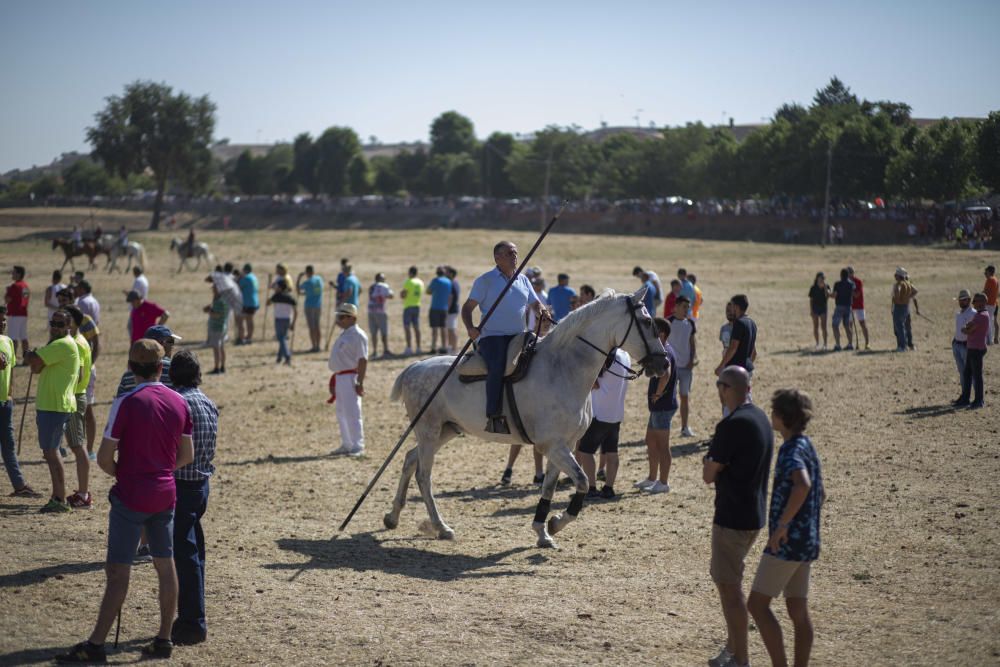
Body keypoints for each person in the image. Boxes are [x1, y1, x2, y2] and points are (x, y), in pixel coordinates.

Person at [56, 339, 194, 664]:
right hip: (165, 493)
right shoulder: (179, 402)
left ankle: (96, 645)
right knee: (165, 563)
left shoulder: (126, 401)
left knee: (118, 571)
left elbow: (104, 458)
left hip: (131, 496)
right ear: (162, 368)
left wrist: (129, 473)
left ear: (131, 368)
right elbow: (186, 455)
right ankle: (163, 638)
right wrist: (159, 471)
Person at [702, 366, 774, 667]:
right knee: (732, 584)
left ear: (726, 389)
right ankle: (732, 649)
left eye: (720, 386)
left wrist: (708, 460)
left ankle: (741, 659)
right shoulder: (760, 418)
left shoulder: (730, 426)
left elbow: (709, 473)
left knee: (730, 591)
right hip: (754, 515)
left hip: (731, 518)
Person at [748, 389, 825, 667]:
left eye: (774, 412)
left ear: (781, 417)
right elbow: (819, 492)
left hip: (786, 543)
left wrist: (782, 526)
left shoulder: (791, 449)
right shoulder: (807, 445)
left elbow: (802, 484)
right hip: (806, 541)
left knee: (756, 605)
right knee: (797, 608)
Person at [463, 241, 544, 435]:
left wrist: (541, 311)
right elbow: (467, 308)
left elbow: (535, 303)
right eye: (509, 253)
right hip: (493, 337)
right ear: (497, 258)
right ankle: (494, 416)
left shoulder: (523, 280)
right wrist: (470, 328)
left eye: (515, 253)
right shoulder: (485, 281)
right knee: (498, 365)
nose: (514, 256)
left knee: (544, 356)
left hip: (520, 335)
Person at [168, 350, 218, 645]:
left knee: (185, 556)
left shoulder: (178, 402)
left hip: (182, 485)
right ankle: (192, 615)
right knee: (194, 552)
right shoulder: (207, 401)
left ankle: (192, 621)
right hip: (201, 484)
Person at [25, 309, 80, 513]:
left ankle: (59, 498)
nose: (55, 327)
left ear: (68, 326)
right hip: (51, 405)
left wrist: (31, 354)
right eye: (53, 323)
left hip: (55, 406)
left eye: (60, 324)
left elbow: (33, 360)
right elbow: (36, 367)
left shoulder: (62, 344)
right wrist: (34, 357)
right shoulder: (57, 345)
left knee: (52, 452)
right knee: (50, 452)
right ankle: (58, 497)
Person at [576, 348, 630, 499]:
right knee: (612, 452)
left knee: (586, 452)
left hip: (598, 412)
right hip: (616, 413)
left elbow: (593, 383)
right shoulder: (626, 355)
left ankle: (591, 488)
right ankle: (608, 488)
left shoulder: (604, 354)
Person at [635, 317, 677, 494]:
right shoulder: (664, 350)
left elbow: (665, 375)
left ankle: (663, 482)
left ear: (662, 334)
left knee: (662, 445)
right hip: (658, 406)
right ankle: (652, 478)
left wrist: (658, 394)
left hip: (663, 406)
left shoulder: (665, 353)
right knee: (651, 441)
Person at [1, 306, 39, 497]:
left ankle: (19, 485)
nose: (2, 323)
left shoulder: (8, 342)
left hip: (5, 403)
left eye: (4, 320)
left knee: (8, 446)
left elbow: (11, 371)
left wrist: (9, 395)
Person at [62, 305, 95, 509]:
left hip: (75, 397)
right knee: (76, 445)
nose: (62, 324)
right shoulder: (80, 341)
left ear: (73, 322)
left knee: (77, 446)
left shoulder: (77, 343)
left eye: (65, 320)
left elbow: (80, 374)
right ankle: (82, 492)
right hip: (77, 396)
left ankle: (83, 494)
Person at [329, 303, 368, 456]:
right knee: (342, 412)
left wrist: (360, 382)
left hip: (351, 377)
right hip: (340, 377)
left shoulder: (358, 335)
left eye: (342, 317)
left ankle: (358, 445)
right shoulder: (345, 334)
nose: (338, 320)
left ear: (352, 318)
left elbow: (362, 360)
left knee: (352, 412)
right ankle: (347, 443)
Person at [117, 325, 179, 395]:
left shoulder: (128, 375)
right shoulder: (175, 369)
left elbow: (120, 400)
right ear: (161, 344)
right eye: (171, 341)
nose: (173, 346)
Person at [955, 292, 990, 409]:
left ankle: (979, 400)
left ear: (982, 302)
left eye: (975, 301)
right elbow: (969, 326)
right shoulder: (980, 315)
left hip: (976, 349)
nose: (973, 303)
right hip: (972, 348)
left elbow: (967, 330)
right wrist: (967, 327)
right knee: (967, 374)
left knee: (976, 376)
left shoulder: (982, 316)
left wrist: (966, 328)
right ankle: (966, 398)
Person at [669, 296, 698, 437]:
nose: (687, 309)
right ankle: (666, 426)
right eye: (684, 306)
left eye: (688, 307)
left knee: (684, 397)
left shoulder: (690, 324)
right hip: (671, 368)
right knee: (669, 397)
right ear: (676, 307)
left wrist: (692, 360)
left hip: (686, 367)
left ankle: (685, 427)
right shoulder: (668, 322)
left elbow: (692, 343)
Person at [717, 295, 757, 387]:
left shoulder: (739, 323)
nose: (731, 309)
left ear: (736, 307)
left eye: (732, 306)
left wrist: (721, 366)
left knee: (734, 397)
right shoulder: (752, 323)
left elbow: (733, 347)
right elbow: (754, 352)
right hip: (747, 368)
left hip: (736, 370)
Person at [953, 289, 977, 393]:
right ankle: (965, 395)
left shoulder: (973, 313)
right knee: (962, 372)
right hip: (957, 345)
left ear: (969, 300)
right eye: (960, 300)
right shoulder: (958, 314)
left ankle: (977, 397)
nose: (961, 302)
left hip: (967, 346)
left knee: (971, 372)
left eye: (964, 300)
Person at [296, 265, 324, 353]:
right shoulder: (319, 279)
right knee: (317, 326)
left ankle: (314, 346)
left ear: (307, 272)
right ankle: (318, 346)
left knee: (312, 327)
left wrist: (299, 278)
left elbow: (298, 290)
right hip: (318, 305)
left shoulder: (307, 282)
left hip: (309, 306)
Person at [269, 278, 297, 365]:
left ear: (280, 288)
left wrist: (272, 291)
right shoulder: (291, 297)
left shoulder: (276, 296)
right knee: (283, 338)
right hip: (288, 319)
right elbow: (296, 311)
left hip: (279, 319)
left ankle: (287, 356)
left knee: (281, 338)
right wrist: (293, 323)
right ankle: (279, 357)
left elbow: (267, 303)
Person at [203, 282, 229, 374]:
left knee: (216, 348)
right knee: (221, 347)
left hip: (217, 327)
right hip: (222, 326)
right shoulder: (222, 299)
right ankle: (222, 367)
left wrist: (209, 311)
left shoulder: (219, 301)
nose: (213, 290)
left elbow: (218, 315)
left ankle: (217, 368)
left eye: (214, 288)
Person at [5, 266, 30, 359]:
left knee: (13, 338)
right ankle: (26, 359)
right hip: (23, 313)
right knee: (23, 337)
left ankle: (12, 358)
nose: (12, 274)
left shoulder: (14, 286)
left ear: (19, 274)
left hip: (15, 314)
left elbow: (7, 299)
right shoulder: (25, 285)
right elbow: (26, 298)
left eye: (14, 272)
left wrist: (7, 291)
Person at [891, 267, 918, 352]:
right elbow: (915, 291)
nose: (895, 276)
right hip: (905, 307)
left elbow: (897, 293)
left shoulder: (899, 284)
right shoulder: (908, 283)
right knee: (904, 327)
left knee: (899, 327)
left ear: (899, 276)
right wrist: (907, 297)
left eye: (896, 275)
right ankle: (906, 345)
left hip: (899, 307)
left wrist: (898, 299)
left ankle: (903, 346)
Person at [367, 273, 394, 358]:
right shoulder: (384, 286)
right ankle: (385, 349)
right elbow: (391, 295)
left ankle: (374, 351)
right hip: (381, 311)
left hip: (371, 310)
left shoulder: (371, 287)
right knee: (384, 331)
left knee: (373, 332)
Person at [427, 266, 452, 353]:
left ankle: (433, 347)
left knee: (435, 329)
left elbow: (428, 291)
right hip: (444, 308)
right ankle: (444, 346)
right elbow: (449, 295)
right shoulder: (448, 281)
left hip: (435, 307)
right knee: (443, 328)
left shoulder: (435, 280)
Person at [829, 268, 855, 351]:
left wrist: (828, 293)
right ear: (848, 275)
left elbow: (834, 295)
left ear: (841, 275)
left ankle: (838, 344)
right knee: (847, 326)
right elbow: (853, 293)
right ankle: (850, 344)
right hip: (848, 306)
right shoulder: (851, 284)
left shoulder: (837, 284)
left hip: (839, 306)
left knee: (835, 325)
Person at [401, 266, 424, 355]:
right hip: (417, 305)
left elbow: (403, 295)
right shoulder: (420, 282)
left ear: (410, 273)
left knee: (407, 328)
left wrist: (401, 294)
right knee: (416, 327)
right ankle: (418, 347)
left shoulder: (408, 282)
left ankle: (409, 348)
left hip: (408, 306)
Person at [847, 266, 869, 349]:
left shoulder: (858, 282)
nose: (849, 275)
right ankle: (850, 344)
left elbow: (857, 295)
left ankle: (867, 343)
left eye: (850, 273)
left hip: (859, 306)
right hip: (849, 306)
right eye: (848, 273)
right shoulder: (846, 282)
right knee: (849, 325)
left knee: (862, 324)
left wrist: (850, 290)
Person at [237, 264, 259, 345]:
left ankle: (241, 338)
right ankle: (249, 337)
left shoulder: (246, 278)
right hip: (254, 302)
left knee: (240, 321)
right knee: (250, 320)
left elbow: (237, 286)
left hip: (247, 302)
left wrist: (239, 277)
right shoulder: (254, 277)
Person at [808, 273, 830, 351]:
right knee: (815, 326)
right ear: (817, 278)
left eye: (824, 278)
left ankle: (825, 344)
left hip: (823, 308)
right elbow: (811, 300)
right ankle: (817, 343)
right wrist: (811, 310)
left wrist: (824, 288)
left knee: (824, 327)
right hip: (815, 308)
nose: (823, 280)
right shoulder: (813, 288)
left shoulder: (826, 286)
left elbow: (828, 297)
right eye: (821, 278)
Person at [445, 266, 461, 353]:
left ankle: (454, 349)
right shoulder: (455, 282)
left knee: (452, 329)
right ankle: (451, 347)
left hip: (451, 309)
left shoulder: (451, 283)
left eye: (447, 272)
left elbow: (450, 297)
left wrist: (447, 309)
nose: (445, 273)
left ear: (451, 274)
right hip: (454, 309)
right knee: (450, 329)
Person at [984, 265, 999, 345]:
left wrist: (979, 296)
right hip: (993, 304)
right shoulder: (996, 280)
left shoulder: (989, 280)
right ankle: (991, 339)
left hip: (989, 304)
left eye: (986, 272)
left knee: (988, 322)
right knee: (991, 321)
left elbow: (986, 292)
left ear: (989, 272)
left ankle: (989, 340)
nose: (985, 273)